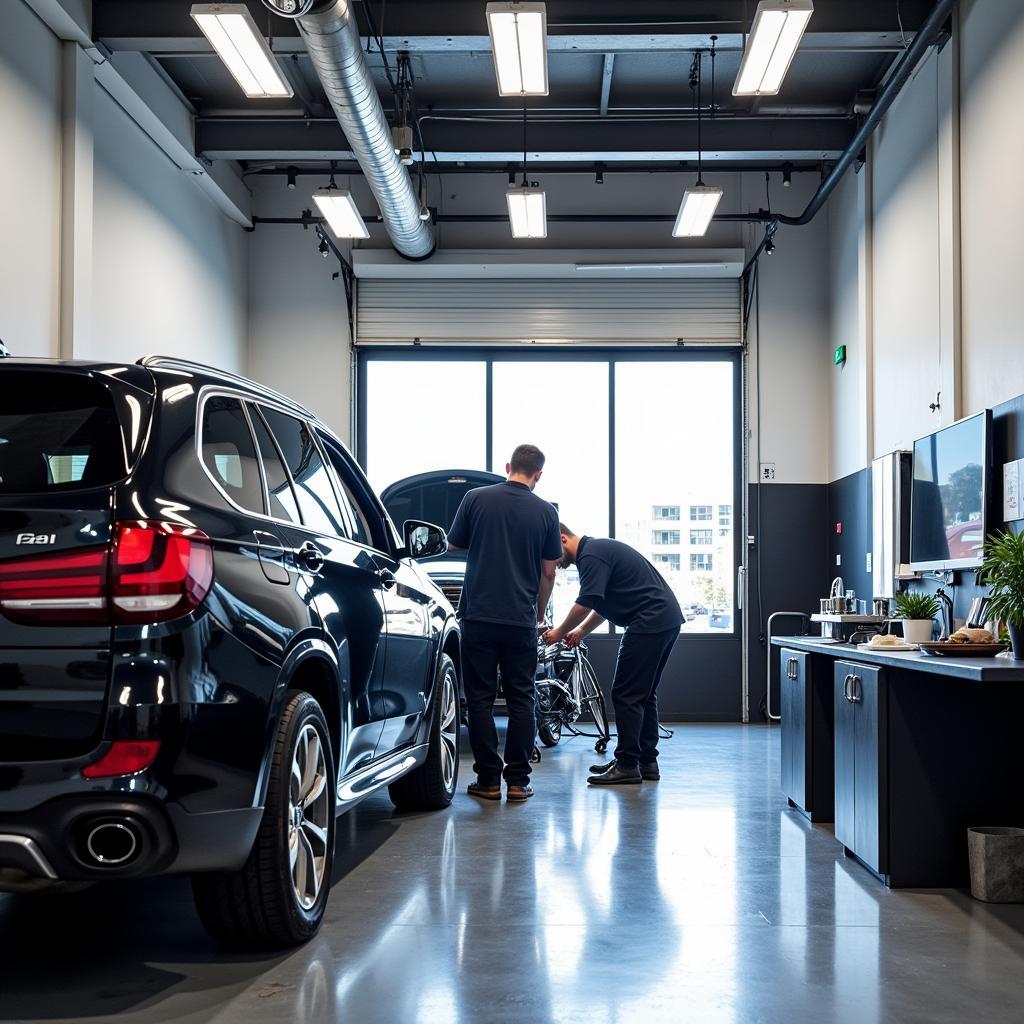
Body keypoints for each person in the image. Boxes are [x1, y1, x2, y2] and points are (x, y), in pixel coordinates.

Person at [447, 444, 561, 802]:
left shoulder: (475, 498)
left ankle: (488, 780)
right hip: (520, 621)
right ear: (538, 475)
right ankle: (517, 782)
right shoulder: (546, 512)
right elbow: (548, 572)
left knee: (478, 700)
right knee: (522, 700)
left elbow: (453, 546)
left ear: (508, 465)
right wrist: (539, 615)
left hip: (478, 616)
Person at [543, 524, 682, 786]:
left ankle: (628, 764)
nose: (553, 562)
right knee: (643, 693)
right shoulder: (598, 551)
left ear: (562, 539)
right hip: (664, 619)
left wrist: (560, 631)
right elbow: (601, 602)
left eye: (551, 553)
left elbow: (586, 601)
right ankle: (646, 762)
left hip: (649, 621)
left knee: (626, 693)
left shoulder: (590, 556)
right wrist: (581, 631)